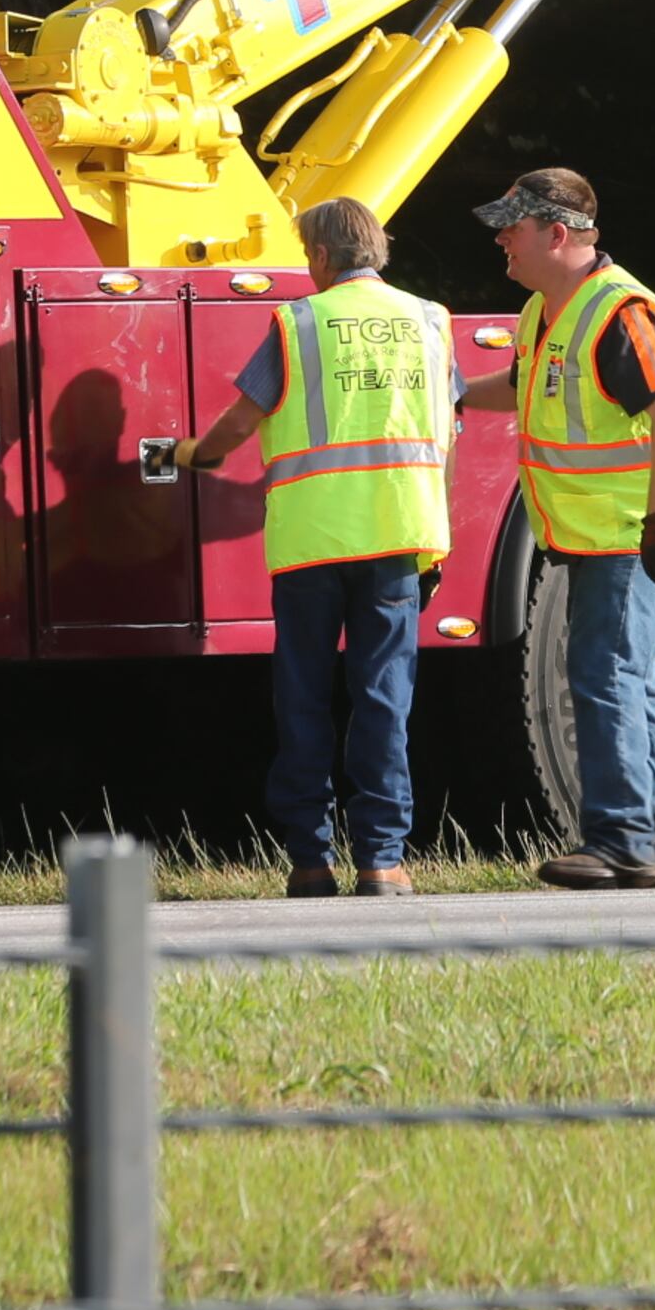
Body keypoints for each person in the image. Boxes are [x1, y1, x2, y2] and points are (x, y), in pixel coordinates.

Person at [183, 195, 453, 899]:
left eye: (307, 255)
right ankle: (383, 862)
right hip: (398, 536)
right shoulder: (430, 321)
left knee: (303, 699)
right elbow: (441, 422)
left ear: (324, 257)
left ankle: (310, 862)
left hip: (312, 544)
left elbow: (243, 420)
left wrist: (196, 454)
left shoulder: (299, 322)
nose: (306, 268)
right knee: (383, 698)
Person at [457, 166, 655, 890]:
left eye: (514, 225)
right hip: (599, 537)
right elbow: (522, 384)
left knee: (607, 677)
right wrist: (456, 392)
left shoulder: (620, 311)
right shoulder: (548, 312)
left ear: (557, 234)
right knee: (631, 682)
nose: (501, 238)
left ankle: (622, 841)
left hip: (630, 537)